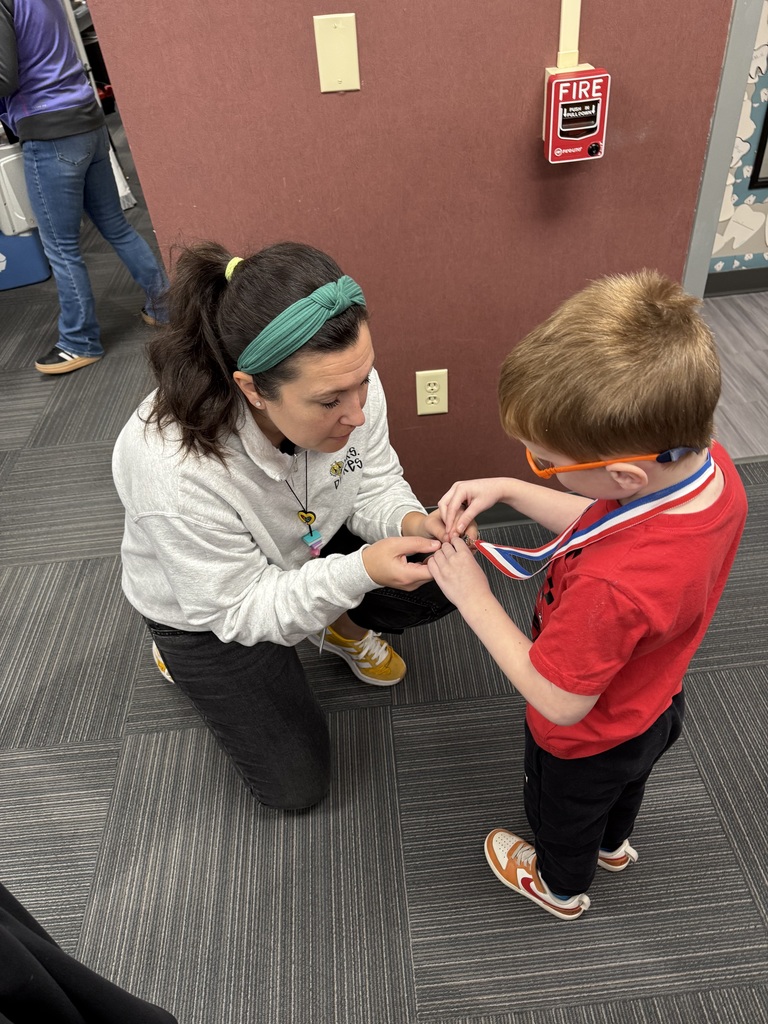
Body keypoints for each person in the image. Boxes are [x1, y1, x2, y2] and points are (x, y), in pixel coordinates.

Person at [429, 270, 748, 921]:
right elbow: (606, 517)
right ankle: (612, 844)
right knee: (624, 789)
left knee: (563, 817)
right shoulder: (711, 475)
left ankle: (561, 888)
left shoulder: (612, 587)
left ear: (626, 474)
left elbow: (557, 699)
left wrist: (472, 597)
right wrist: (512, 490)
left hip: (583, 741)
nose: (534, 465)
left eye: (544, 462)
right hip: (655, 704)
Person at [112, 240, 460, 811]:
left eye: (365, 380)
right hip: (213, 610)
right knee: (296, 789)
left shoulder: (344, 383)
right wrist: (361, 572)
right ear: (252, 388)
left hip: (308, 541)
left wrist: (412, 519)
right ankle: (179, 657)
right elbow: (240, 607)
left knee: (440, 573)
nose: (358, 412)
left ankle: (337, 623)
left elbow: (372, 479)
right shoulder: (170, 470)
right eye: (330, 401)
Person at [0, 0, 169, 375]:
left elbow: (4, 78)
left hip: (50, 131)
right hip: (86, 120)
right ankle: (165, 306)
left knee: (61, 247)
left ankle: (79, 341)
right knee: (117, 226)